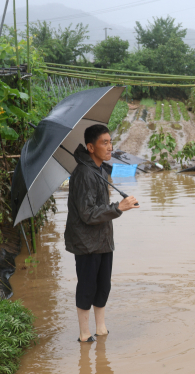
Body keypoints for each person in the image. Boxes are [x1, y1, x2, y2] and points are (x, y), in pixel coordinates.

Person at [64, 124, 139, 343]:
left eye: (110, 141)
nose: (109, 147)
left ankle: (101, 328)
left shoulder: (99, 170)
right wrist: (118, 208)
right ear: (90, 147)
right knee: (87, 285)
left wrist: (119, 206)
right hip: (86, 243)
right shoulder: (83, 174)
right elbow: (87, 214)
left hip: (103, 239)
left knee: (103, 284)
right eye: (103, 143)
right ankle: (84, 333)